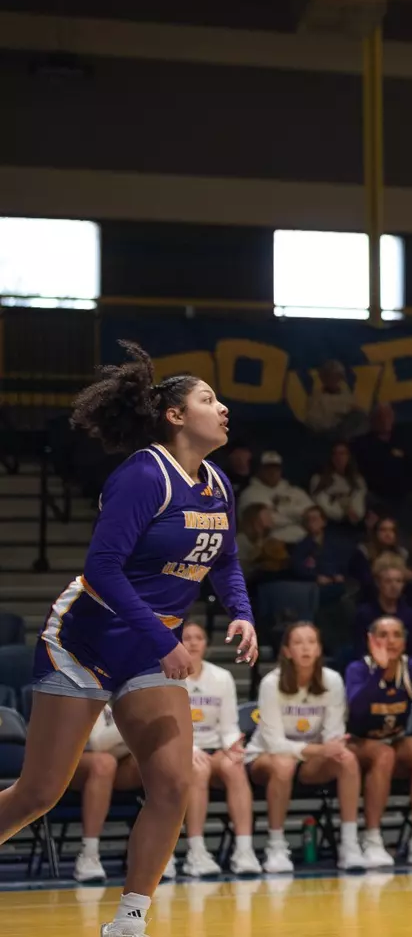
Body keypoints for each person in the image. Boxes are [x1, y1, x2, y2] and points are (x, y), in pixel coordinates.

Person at [0, 343, 257, 937]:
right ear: (175, 415)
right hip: (84, 641)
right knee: (38, 791)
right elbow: (102, 570)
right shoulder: (144, 475)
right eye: (208, 399)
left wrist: (241, 612)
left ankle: (129, 922)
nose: (222, 408)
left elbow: (226, 561)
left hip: (148, 646)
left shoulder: (217, 484)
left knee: (174, 782)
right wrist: (164, 640)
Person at [246, 622, 363, 871]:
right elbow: (275, 744)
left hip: (311, 760)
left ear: (320, 649)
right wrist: (320, 750)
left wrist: (324, 751)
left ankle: (350, 844)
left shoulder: (332, 681)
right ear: (287, 651)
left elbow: (334, 736)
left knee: (348, 759)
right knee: (283, 764)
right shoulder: (270, 683)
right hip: (265, 757)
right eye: (298, 643)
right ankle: (276, 846)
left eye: (311, 642)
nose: (306, 648)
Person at [344, 616, 412, 868]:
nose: (389, 640)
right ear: (370, 640)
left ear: (404, 641)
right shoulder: (358, 669)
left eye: (396, 635)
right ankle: (372, 839)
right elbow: (357, 709)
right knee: (383, 754)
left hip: (393, 740)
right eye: (382, 634)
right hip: (356, 744)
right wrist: (378, 672)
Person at [178, 620, 261, 877]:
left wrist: (233, 746)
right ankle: (196, 851)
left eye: (198, 637)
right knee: (197, 770)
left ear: (206, 645)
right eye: (187, 637)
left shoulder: (222, 678)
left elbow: (229, 724)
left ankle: (244, 850)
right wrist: (189, 749)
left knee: (235, 768)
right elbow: (171, 725)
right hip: (181, 752)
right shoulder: (168, 674)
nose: (192, 642)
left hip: (214, 749)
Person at [69, 706, 146, 883]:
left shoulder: (134, 689)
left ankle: (151, 851)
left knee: (155, 761)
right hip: (62, 764)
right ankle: (89, 854)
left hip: (114, 762)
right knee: (104, 763)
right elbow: (96, 743)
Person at [241, 451, 315, 543]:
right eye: (268, 468)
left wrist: (279, 511)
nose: (272, 472)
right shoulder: (249, 494)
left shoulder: (295, 491)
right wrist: (298, 517)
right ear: (260, 470)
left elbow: (314, 515)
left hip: (302, 543)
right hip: (267, 546)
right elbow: (265, 523)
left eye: (276, 468)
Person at [310, 440, 368, 527]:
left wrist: (353, 511)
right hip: (331, 521)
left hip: (355, 521)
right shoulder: (318, 479)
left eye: (342, 453)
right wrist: (342, 512)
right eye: (335, 454)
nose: (338, 457)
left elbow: (360, 497)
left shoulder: (357, 479)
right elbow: (319, 500)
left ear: (348, 457)